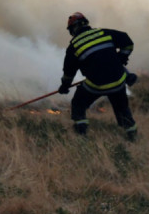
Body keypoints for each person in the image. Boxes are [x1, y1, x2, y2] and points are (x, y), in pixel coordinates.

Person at [58, 12, 138, 140]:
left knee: (78, 103)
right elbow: (128, 42)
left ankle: (81, 134)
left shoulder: (74, 46)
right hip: (118, 82)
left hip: (96, 85)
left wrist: (64, 86)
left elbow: (69, 72)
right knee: (122, 109)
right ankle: (132, 136)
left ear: (73, 29)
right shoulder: (104, 33)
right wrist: (121, 58)